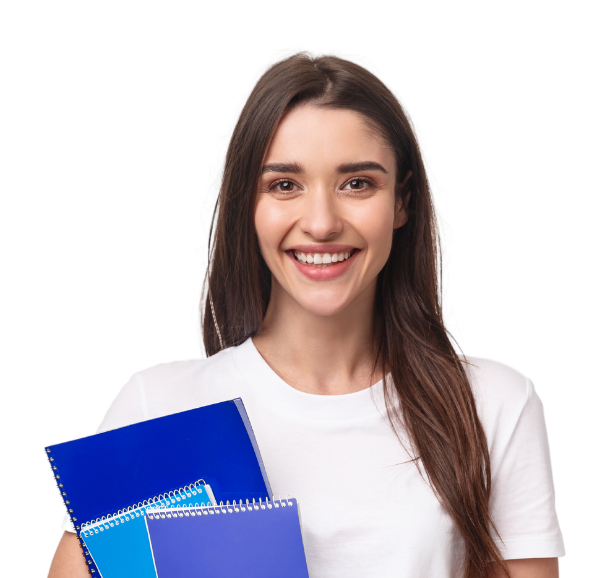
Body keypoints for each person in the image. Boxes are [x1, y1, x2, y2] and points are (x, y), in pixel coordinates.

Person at [47, 47, 566, 578]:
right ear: (247, 205)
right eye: (284, 185)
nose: (321, 223)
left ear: (403, 202)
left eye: (357, 183)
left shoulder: (494, 404)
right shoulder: (158, 405)